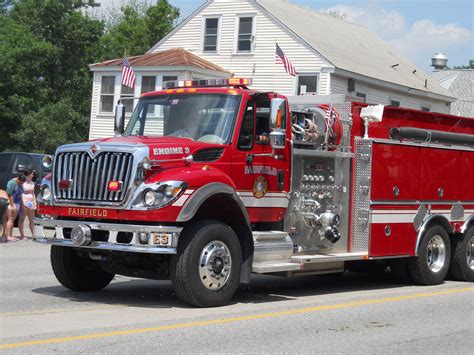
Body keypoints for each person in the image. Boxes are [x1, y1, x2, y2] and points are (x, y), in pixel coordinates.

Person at [5, 174, 26, 242]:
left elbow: (20, 195)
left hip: (17, 203)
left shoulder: (20, 184)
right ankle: (8, 236)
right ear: (18, 179)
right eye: (20, 182)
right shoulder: (11, 183)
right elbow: (10, 194)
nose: (21, 184)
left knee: (13, 220)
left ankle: (10, 235)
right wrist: (12, 205)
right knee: (10, 219)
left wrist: (22, 204)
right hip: (12, 203)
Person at [19, 170, 36, 239]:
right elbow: (20, 192)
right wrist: (27, 191)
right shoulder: (22, 183)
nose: (33, 175)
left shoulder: (32, 183)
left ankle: (33, 234)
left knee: (31, 219)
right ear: (28, 175)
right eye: (32, 174)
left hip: (31, 202)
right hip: (24, 202)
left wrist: (34, 202)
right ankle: (22, 235)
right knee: (22, 219)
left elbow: (33, 193)